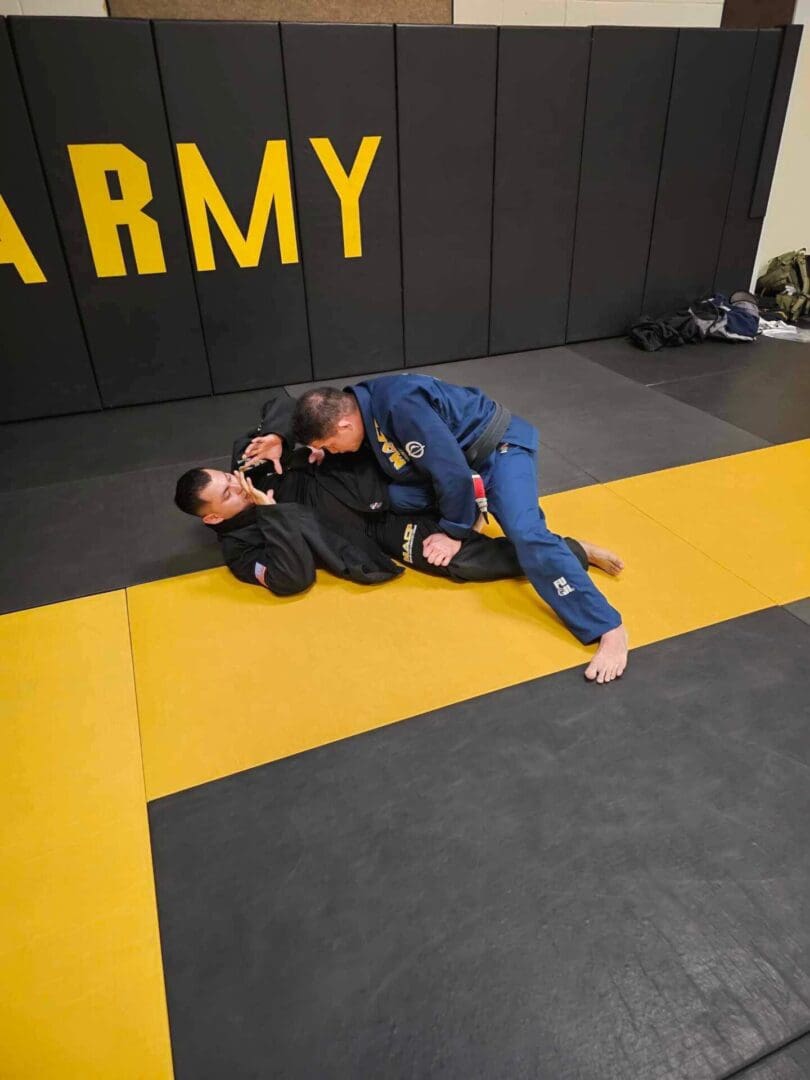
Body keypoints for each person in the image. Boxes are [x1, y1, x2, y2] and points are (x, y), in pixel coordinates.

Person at [289, 375, 629, 684]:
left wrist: (454, 533)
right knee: (391, 495)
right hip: (461, 463)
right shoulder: (358, 402)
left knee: (526, 535)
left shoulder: (398, 406)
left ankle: (608, 627)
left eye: (330, 445)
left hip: (497, 452)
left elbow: (451, 473)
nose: (331, 453)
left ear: (346, 424)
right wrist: (310, 450)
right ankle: (492, 513)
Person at [175, 391, 619, 598]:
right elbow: (292, 580)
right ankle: (570, 552)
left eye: (229, 478)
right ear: (213, 518)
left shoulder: (248, 460)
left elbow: (285, 402)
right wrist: (272, 514)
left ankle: (469, 494)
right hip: (376, 530)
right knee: (457, 564)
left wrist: (277, 435)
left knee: (445, 479)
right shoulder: (239, 549)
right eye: (229, 495)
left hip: (385, 479)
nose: (238, 484)